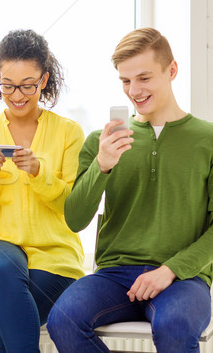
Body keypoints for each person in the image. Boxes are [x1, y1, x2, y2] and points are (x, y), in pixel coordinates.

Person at [47, 27, 213, 352]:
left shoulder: (207, 140)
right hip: (114, 275)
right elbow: (75, 218)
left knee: (175, 326)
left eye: (144, 78)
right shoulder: (101, 141)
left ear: (172, 70)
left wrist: (171, 270)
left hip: (182, 278)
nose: (134, 90)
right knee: (63, 318)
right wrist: (102, 165)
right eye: (125, 81)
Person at [0, 29, 85, 352]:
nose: (17, 95)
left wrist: (38, 172)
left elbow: (72, 207)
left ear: (44, 80)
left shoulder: (69, 132)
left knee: (4, 319)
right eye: (8, 85)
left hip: (54, 259)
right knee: (7, 269)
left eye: (27, 85)